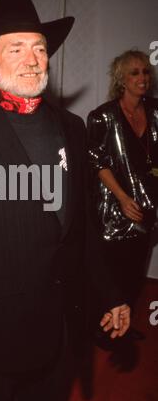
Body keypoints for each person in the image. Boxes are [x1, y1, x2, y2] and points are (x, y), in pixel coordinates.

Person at [0, 0, 130, 401]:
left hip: (62, 322)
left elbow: (83, 227)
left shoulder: (72, 127)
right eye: (15, 48)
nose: (32, 58)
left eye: (39, 48)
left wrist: (110, 292)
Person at [87, 50, 158, 339]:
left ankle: (122, 325)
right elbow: (95, 161)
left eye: (145, 71)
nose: (142, 78)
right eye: (134, 73)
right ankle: (101, 330)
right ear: (121, 80)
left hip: (146, 208)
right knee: (109, 273)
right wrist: (122, 198)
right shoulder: (102, 117)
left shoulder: (154, 111)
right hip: (113, 210)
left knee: (134, 273)